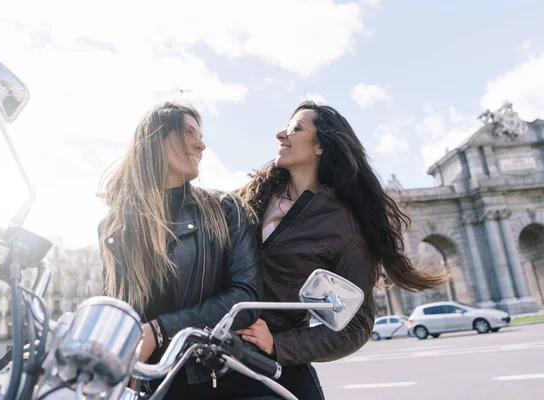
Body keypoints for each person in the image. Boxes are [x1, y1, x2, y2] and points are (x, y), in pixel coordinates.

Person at [234, 101, 451, 399]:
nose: (280, 134)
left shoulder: (343, 226)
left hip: (273, 368)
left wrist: (279, 345)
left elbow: (357, 324)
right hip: (214, 352)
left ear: (320, 146)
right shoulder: (249, 196)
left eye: (296, 128)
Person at [97, 102, 264, 399]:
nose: (201, 145)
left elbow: (247, 298)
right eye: (189, 132)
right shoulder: (114, 227)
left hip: (217, 381)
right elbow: (118, 307)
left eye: (200, 135)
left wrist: (160, 329)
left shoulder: (224, 210)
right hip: (150, 386)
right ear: (156, 139)